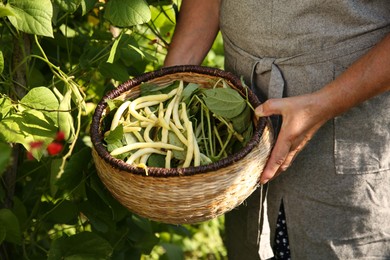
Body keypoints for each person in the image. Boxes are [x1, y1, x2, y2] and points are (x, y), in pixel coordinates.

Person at [164, 0, 390, 259]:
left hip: (348, 120)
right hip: (244, 111)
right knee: (248, 244)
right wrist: (169, 92)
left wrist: (325, 104)